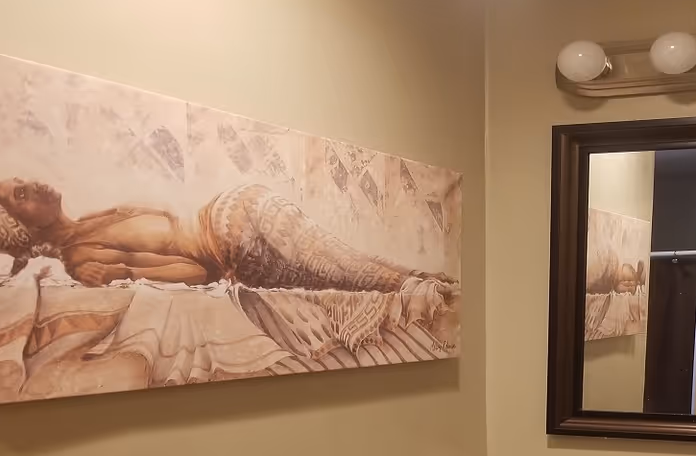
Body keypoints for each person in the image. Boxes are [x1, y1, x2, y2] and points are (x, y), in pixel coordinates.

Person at [0, 178, 458, 298]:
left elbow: (197, 270)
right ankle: (424, 281)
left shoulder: (92, 221)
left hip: (233, 228)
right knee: (342, 266)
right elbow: (196, 272)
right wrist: (126, 273)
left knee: (342, 266)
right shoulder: (82, 258)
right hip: (234, 232)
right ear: (23, 227)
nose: (31, 184)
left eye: (20, 181)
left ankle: (422, 283)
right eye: (20, 194)